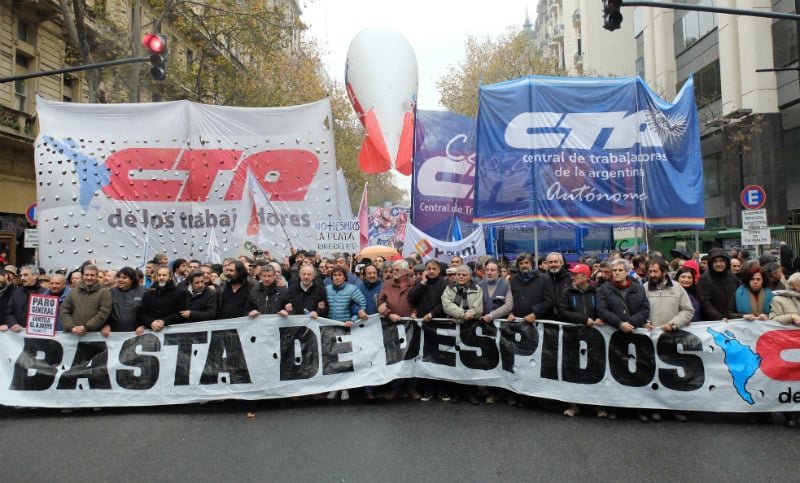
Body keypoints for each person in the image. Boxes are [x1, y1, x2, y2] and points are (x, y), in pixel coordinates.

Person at [558, 262, 608, 418]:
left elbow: (602, 308)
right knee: (574, 370)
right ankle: (574, 404)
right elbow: (563, 311)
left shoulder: (597, 292)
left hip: (596, 337)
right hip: (575, 335)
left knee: (597, 369)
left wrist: (600, 318)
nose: (572, 276)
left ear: (585, 277)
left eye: (576, 274)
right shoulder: (568, 292)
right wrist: (584, 319)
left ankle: (598, 405)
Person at [442, 264, 483, 405]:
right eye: (458, 274)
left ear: (470, 276)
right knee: (455, 360)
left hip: (470, 328)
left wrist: (468, 315)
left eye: (464, 274)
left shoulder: (477, 289)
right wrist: (463, 314)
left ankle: (472, 393)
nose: (460, 276)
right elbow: (446, 305)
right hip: (453, 328)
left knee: (470, 360)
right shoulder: (449, 289)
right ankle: (457, 392)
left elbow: (478, 308)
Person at [325, 266, 368, 401]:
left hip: (346, 328)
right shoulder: (326, 290)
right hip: (330, 328)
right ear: (331, 278)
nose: (337, 277)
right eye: (335, 275)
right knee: (332, 359)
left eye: (339, 275)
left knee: (345, 359)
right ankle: (334, 388)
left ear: (345, 277)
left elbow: (362, 305)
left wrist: (353, 319)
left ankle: (345, 388)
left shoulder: (352, 289)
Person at [409, 260, 449, 401]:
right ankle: (427, 390)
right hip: (423, 326)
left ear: (439, 271)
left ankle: (442, 390)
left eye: (434, 269)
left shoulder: (444, 284)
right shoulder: (420, 282)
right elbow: (412, 298)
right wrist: (422, 283)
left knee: (440, 358)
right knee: (425, 357)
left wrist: (432, 314)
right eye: (429, 268)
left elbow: (444, 303)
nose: (431, 271)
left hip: (438, 324)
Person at [60, 264, 112, 335]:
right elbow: (64, 310)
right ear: (83, 276)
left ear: (97, 277)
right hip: (73, 334)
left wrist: (86, 327)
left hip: (93, 335)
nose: (89, 277)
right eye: (86, 275)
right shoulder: (74, 291)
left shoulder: (104, 292)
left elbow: (103, 313)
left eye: (92, 275)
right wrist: (71, 327)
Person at [507, 253, 555, 325]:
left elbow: (549, 300)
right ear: (518, 266)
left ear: (532, 264)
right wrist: (510, 313)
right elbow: (510, 299)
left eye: (526, 263)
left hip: (538, 323)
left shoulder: (544, 279)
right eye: (521, 263)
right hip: (517, 322)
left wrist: (535, 313)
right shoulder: (513, 280)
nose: (524, 265)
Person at [139, 266, 189, 333]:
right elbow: (143, 313)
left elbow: (181, 314)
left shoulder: (180, 293)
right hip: (152, 331)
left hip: (172, 331)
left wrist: (164, 321)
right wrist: (151, 322)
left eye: (164, 275)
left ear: (170, 277)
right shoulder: (148, 294)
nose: (161, 277)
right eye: (159, 275)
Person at [697, 248, 739, 321]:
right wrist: (719, 317)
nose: (718, 264)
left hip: (732, 320)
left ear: (726, 262)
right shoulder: (704, 279)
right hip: (713, 322)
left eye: (721, 261)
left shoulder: (733, 277)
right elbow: (705, 302)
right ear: (710, 263)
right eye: (715, 261)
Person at [2, 265, 47, 332]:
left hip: (39, 335)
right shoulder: (16, 293)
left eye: (25, 275)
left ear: (35, 276)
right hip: (18, 335)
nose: (22, 278)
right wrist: (13, 324)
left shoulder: (46, 293)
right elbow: (8, 313)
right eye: (21, 275)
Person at [104, 266, 145, 335]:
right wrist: (105, 324)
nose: (120, 280)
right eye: (119, 277)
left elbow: (148, 312)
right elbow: (105, 311)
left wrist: (144, 326)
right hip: (114, 335)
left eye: (124, 277)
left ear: (132, 279)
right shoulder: (110, 292)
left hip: (137, 334)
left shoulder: (143, 292)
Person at [545, 252, 571, 319]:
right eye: (550, 262)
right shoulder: (542, 279)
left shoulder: (570, 278)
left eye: (556, 262)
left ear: (562, 263)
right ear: (547, 264)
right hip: (548, 318)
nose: (553, 264)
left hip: (568, 318)